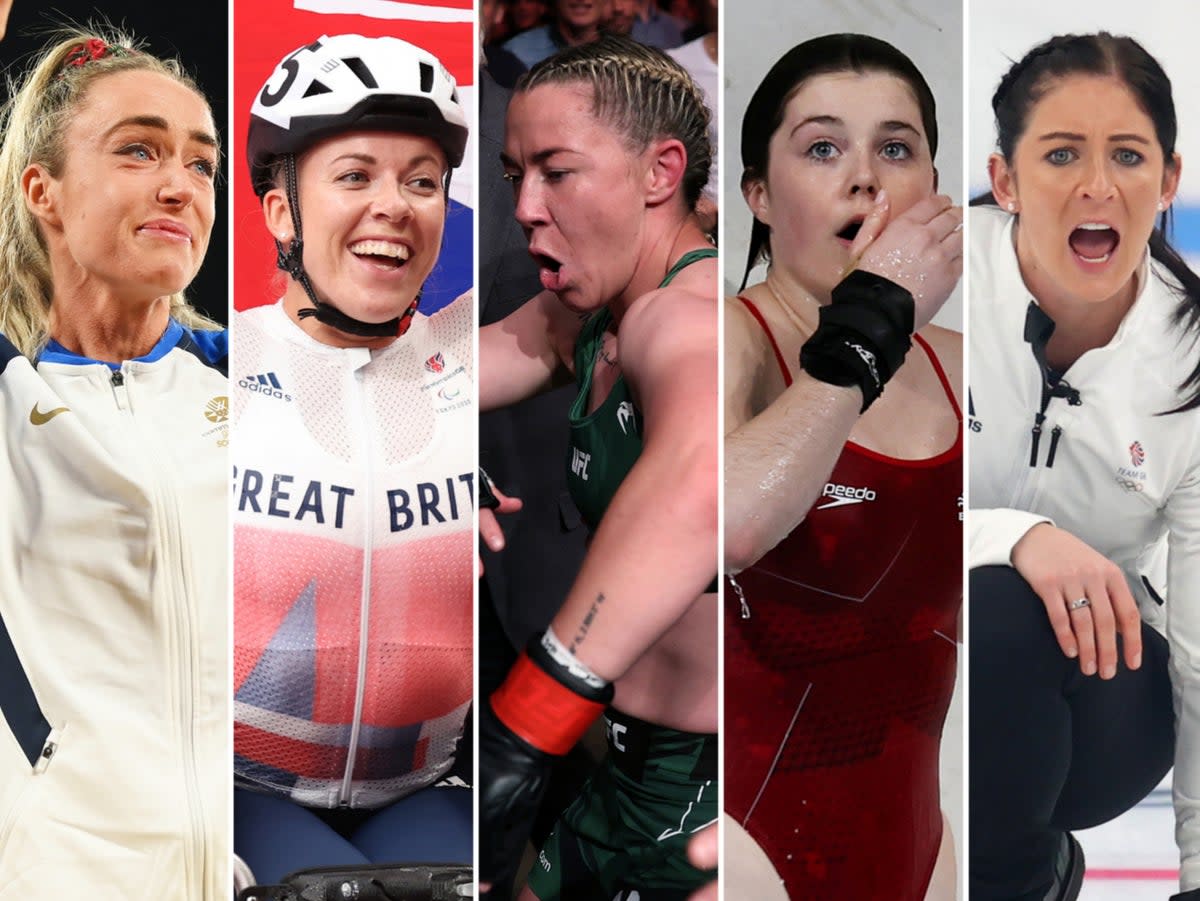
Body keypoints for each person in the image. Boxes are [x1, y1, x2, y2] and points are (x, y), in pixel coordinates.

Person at [722, 34, 964, 901]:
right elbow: (729, 525)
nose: (865, 178)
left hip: (922, 848)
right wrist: (868, 325)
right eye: (823, 148)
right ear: (757, 192)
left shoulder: (965, 367)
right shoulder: (723, 344)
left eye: (895, 149)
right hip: (745, 843)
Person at [477, 33, 719, 901]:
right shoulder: (584, 313)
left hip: (710, 794)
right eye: (515, 176)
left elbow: (701, 487)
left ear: (660, 173)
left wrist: (528, 719)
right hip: (611, 769)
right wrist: (421, 463)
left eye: (557, 171)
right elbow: (422, 386)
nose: (527, 208)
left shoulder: (687, 318)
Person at [231, 33, 474, 885]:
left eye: (423, 181)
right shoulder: (208, 364)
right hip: (240, 792)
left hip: (426, 786)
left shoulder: (472, 357)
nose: (395, 205)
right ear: (281, 212)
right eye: (355, 175)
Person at [968, 32, 1200, 901]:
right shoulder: (933, 282)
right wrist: (1017, 534)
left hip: (1095, 703)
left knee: (1005, 613)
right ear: (1006, 179)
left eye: (1129, 155)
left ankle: (1023, 878)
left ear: (1169, 179)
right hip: (902, 647)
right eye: (1062, 153)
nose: (1098, 186)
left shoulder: (1194, 361)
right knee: (993, 588)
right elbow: (851, 508)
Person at [0, 27, 228, 898]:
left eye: (201, 164)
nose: (180, 185)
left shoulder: (257, 380)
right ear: (43, 191)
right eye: (138, 151)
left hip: (244, 863)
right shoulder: (9, 392)